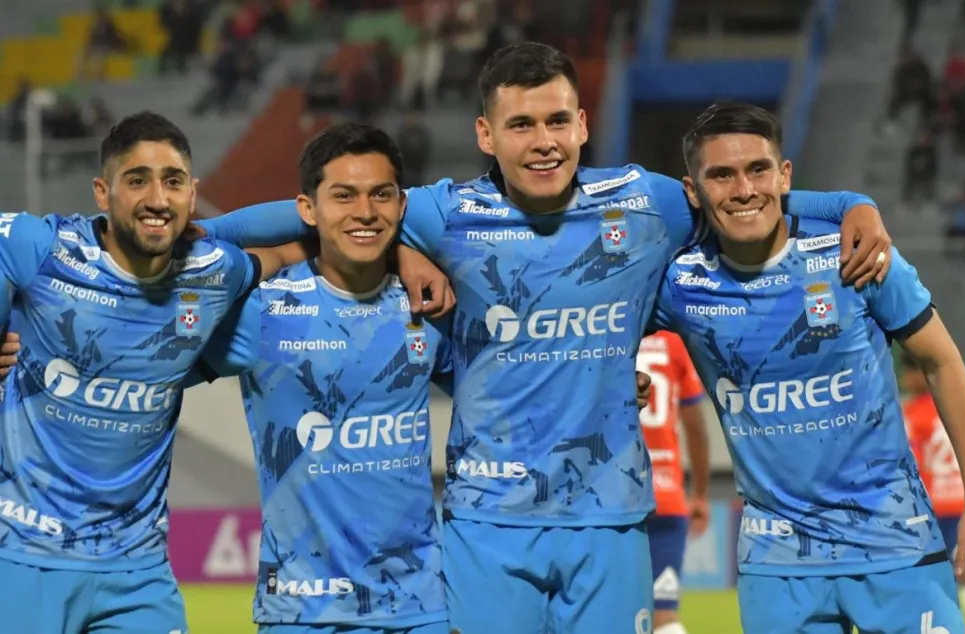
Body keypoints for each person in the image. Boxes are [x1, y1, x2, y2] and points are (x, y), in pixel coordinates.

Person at [183, 43, 895, 634]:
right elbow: (316, 213)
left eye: (557, 120)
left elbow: (741, 198)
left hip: (611, 521)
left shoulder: (643, 205)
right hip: (487, 523)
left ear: (583, 125)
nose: (544, 141)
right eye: (521, 125)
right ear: (486, 135)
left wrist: (848, 205)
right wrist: (396, 242)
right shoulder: (447, 213)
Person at [650, 101, 965, 633]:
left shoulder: (855, 252)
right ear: (692, 192)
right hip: (777, 560)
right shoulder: (679, 282)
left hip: (895, 539)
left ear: (783, 175)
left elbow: (941, 361)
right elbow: (593, 323)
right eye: (721, 175)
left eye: (757, 169)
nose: (743, 190)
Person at [0, 111, 293, 634]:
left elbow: (303, 230)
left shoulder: (213, 271)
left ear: (191, 192)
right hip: (23, 556)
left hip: (138, 574)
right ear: (101, 192)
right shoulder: (40, 249)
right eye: (137, 181)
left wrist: (403, 252)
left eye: (173, 183)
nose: (158, 197)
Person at [192, 123, 451, 634]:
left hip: (419, 607)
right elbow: (200, 242)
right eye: (343, 196)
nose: (364, 211)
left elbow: (507, 390)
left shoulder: (432, 303)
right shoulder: (261, 308)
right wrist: (290, 251)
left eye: (381, 195)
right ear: (306, 210)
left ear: (402, 206)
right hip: (300, 610)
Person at [903, 354, 965, 634]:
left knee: (930, 570)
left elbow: (910, 460)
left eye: (907, 372)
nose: (904, 380)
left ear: (917, 373)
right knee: (964, 569)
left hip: (936, 503)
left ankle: (935, 624)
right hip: (962, 501)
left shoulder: (914, 412)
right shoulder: (951, 407)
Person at [637, 331, 709, 634]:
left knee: (603, 611)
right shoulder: (674, 341)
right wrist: (701, 494)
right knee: (664, 617)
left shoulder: (605, 325)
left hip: (614, 496)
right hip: (666, 494)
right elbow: (696, 427)